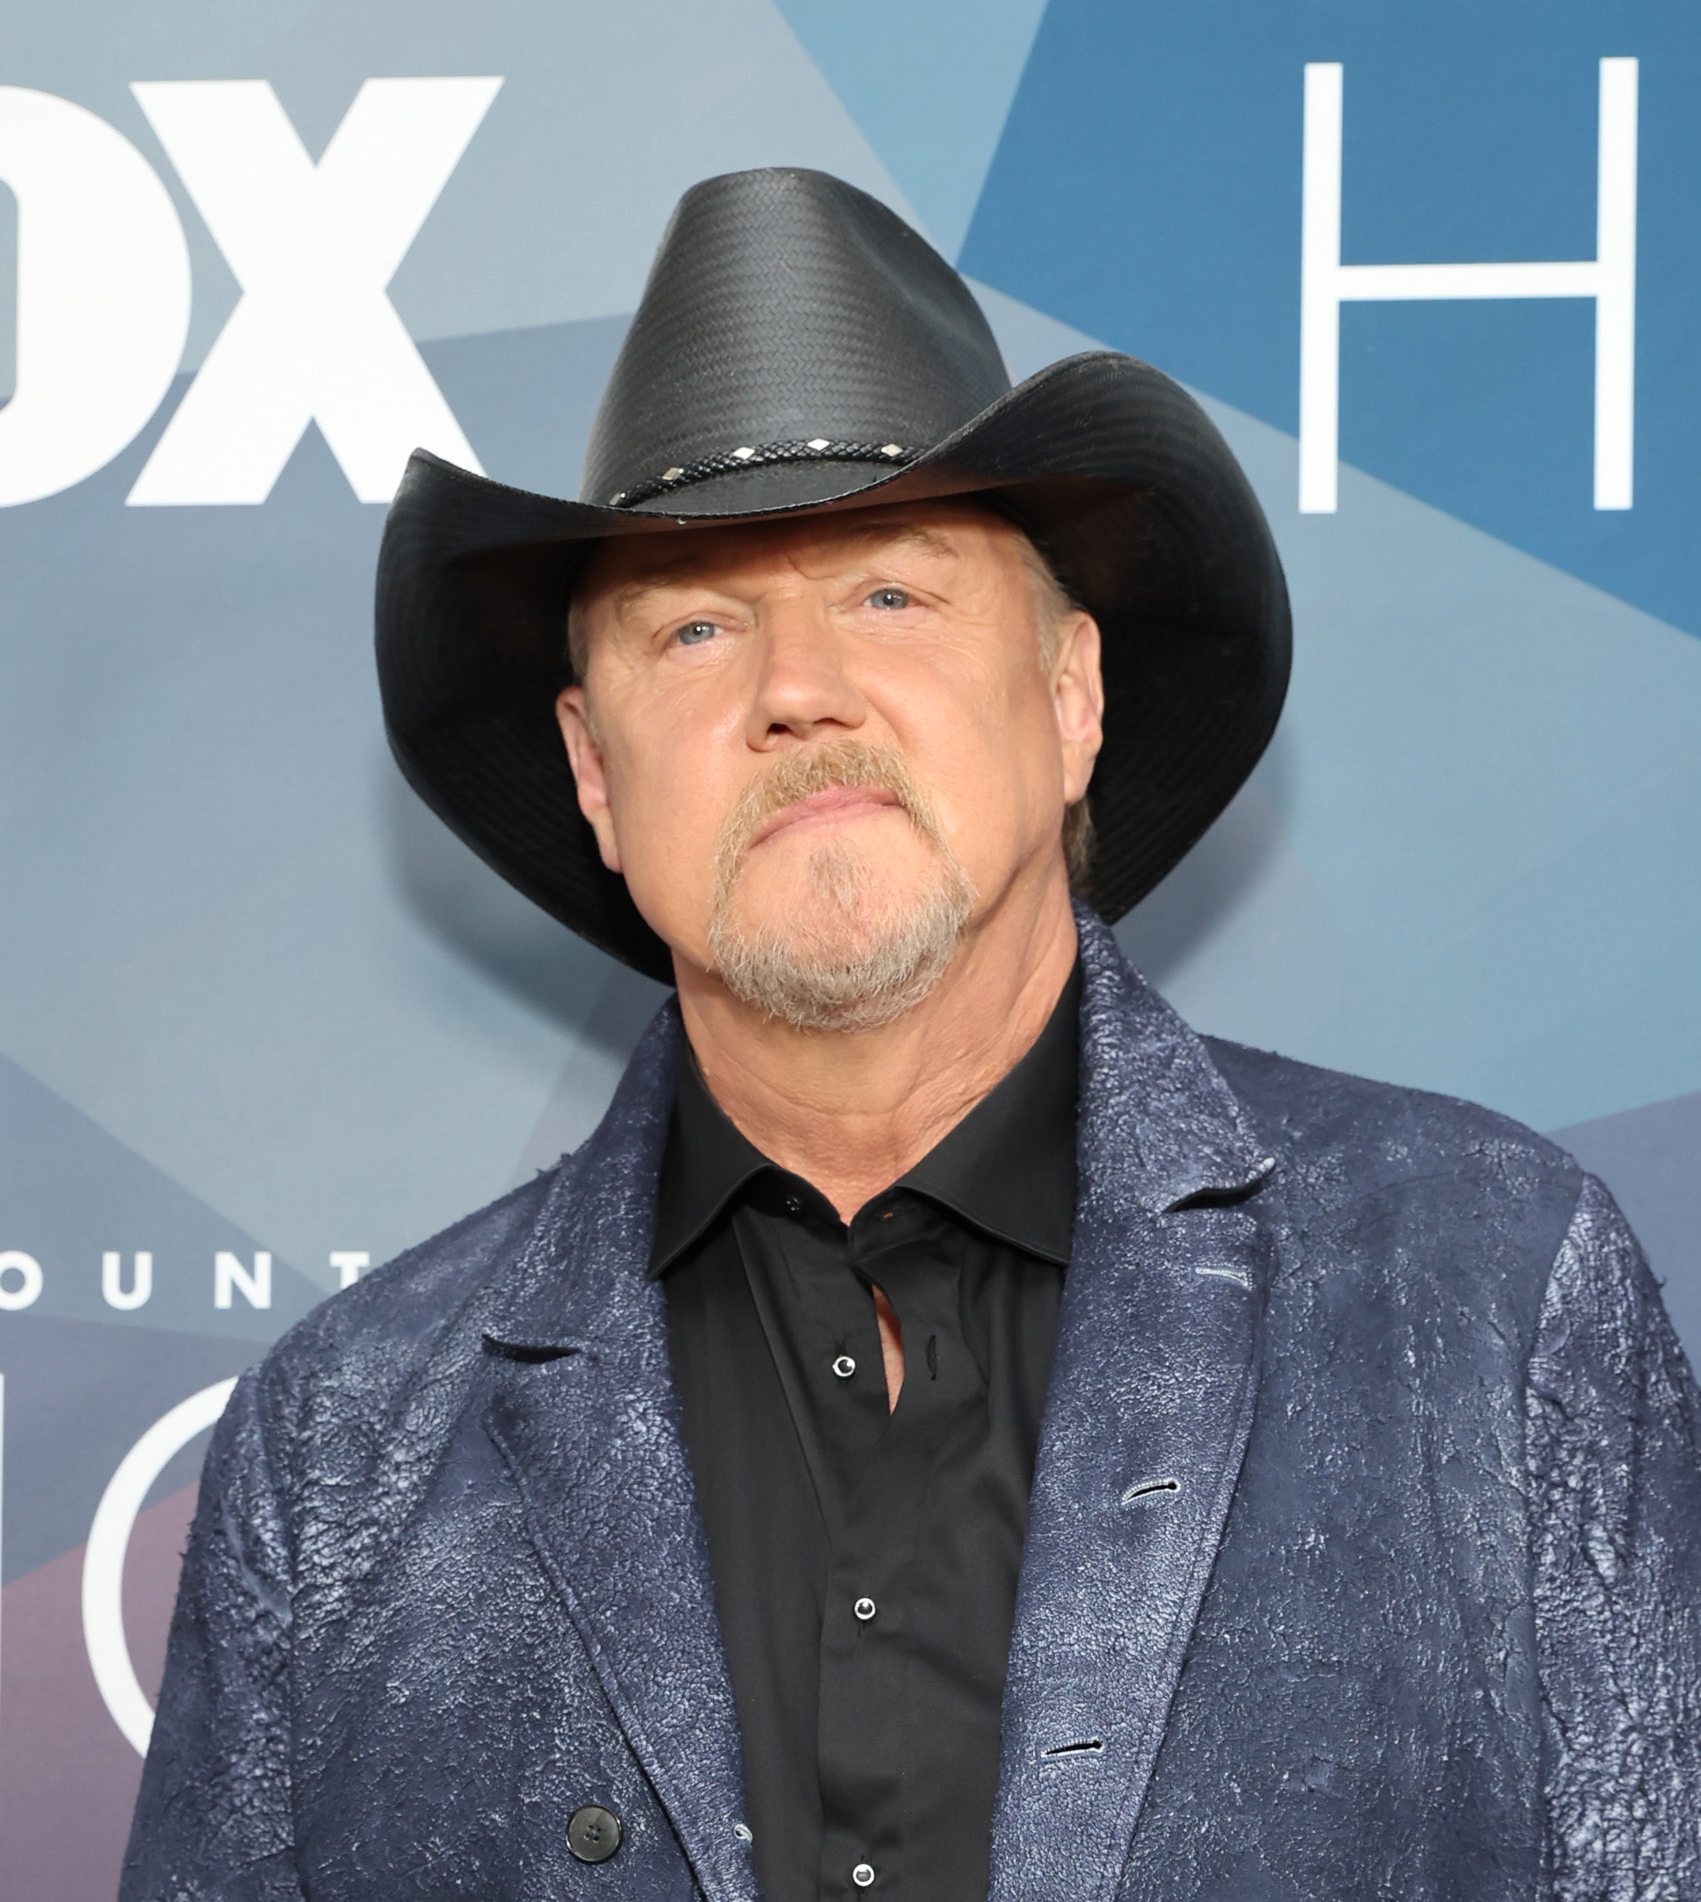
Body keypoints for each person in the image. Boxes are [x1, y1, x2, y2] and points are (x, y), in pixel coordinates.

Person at [121, 168, 1701, 1902]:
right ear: (592, 773)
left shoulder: (1486, 1286)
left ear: (1072, 694)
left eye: (889, 594)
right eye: (696, 626)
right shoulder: (344, 1442)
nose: (796, 685)